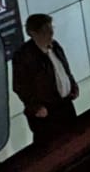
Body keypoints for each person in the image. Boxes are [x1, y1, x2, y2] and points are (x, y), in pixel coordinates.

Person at [10, 13, 78, 145]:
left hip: (65, 105)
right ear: (33, 33)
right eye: (45, 31)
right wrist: (35, 107)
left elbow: (64, 69)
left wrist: (73, 86)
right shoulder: (23, 56)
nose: (51, 34)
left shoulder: (55, 46)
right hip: (46, 112)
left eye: (51, 29)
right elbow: (19, 86)